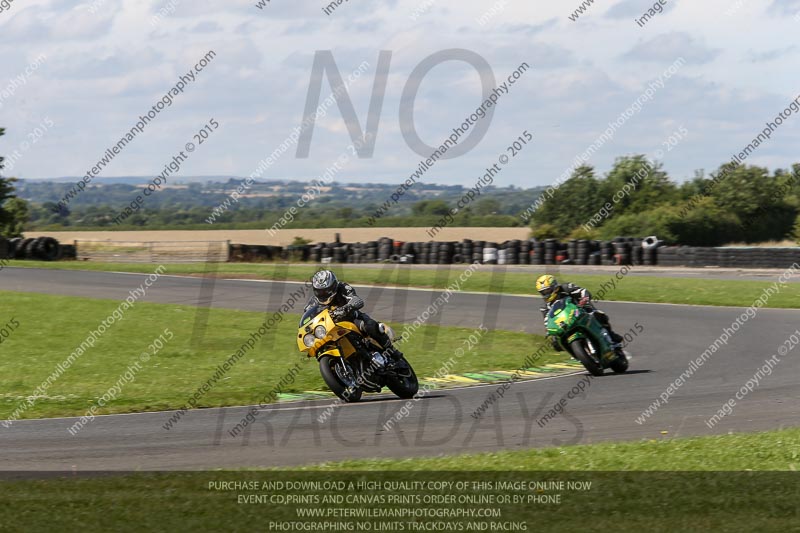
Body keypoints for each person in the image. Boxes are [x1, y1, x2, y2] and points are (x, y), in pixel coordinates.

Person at [305, 270, 403, 360]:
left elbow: (357, 300)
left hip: (352, 319)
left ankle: (392, 351)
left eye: (326, 290)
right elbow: (306, 318)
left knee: (370, 326)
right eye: (319, 291)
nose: (323, 294)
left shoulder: (343, 287)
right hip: (331, 328)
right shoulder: (312, 303)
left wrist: (346, 308)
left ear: (333, 286)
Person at [535, 274, 624, 352]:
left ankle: (612, 337)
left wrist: (584, 298)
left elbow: (583, 291)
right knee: (555, 342)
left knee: (598, 315)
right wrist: (549, 333)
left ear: (554, 287)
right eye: (543, 292)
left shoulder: (566, 288)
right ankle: (575, 350)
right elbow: (547, 321)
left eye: (547, 291)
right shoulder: (544, 307)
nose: (545, 294)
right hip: (564, 323)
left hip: (581, 311)